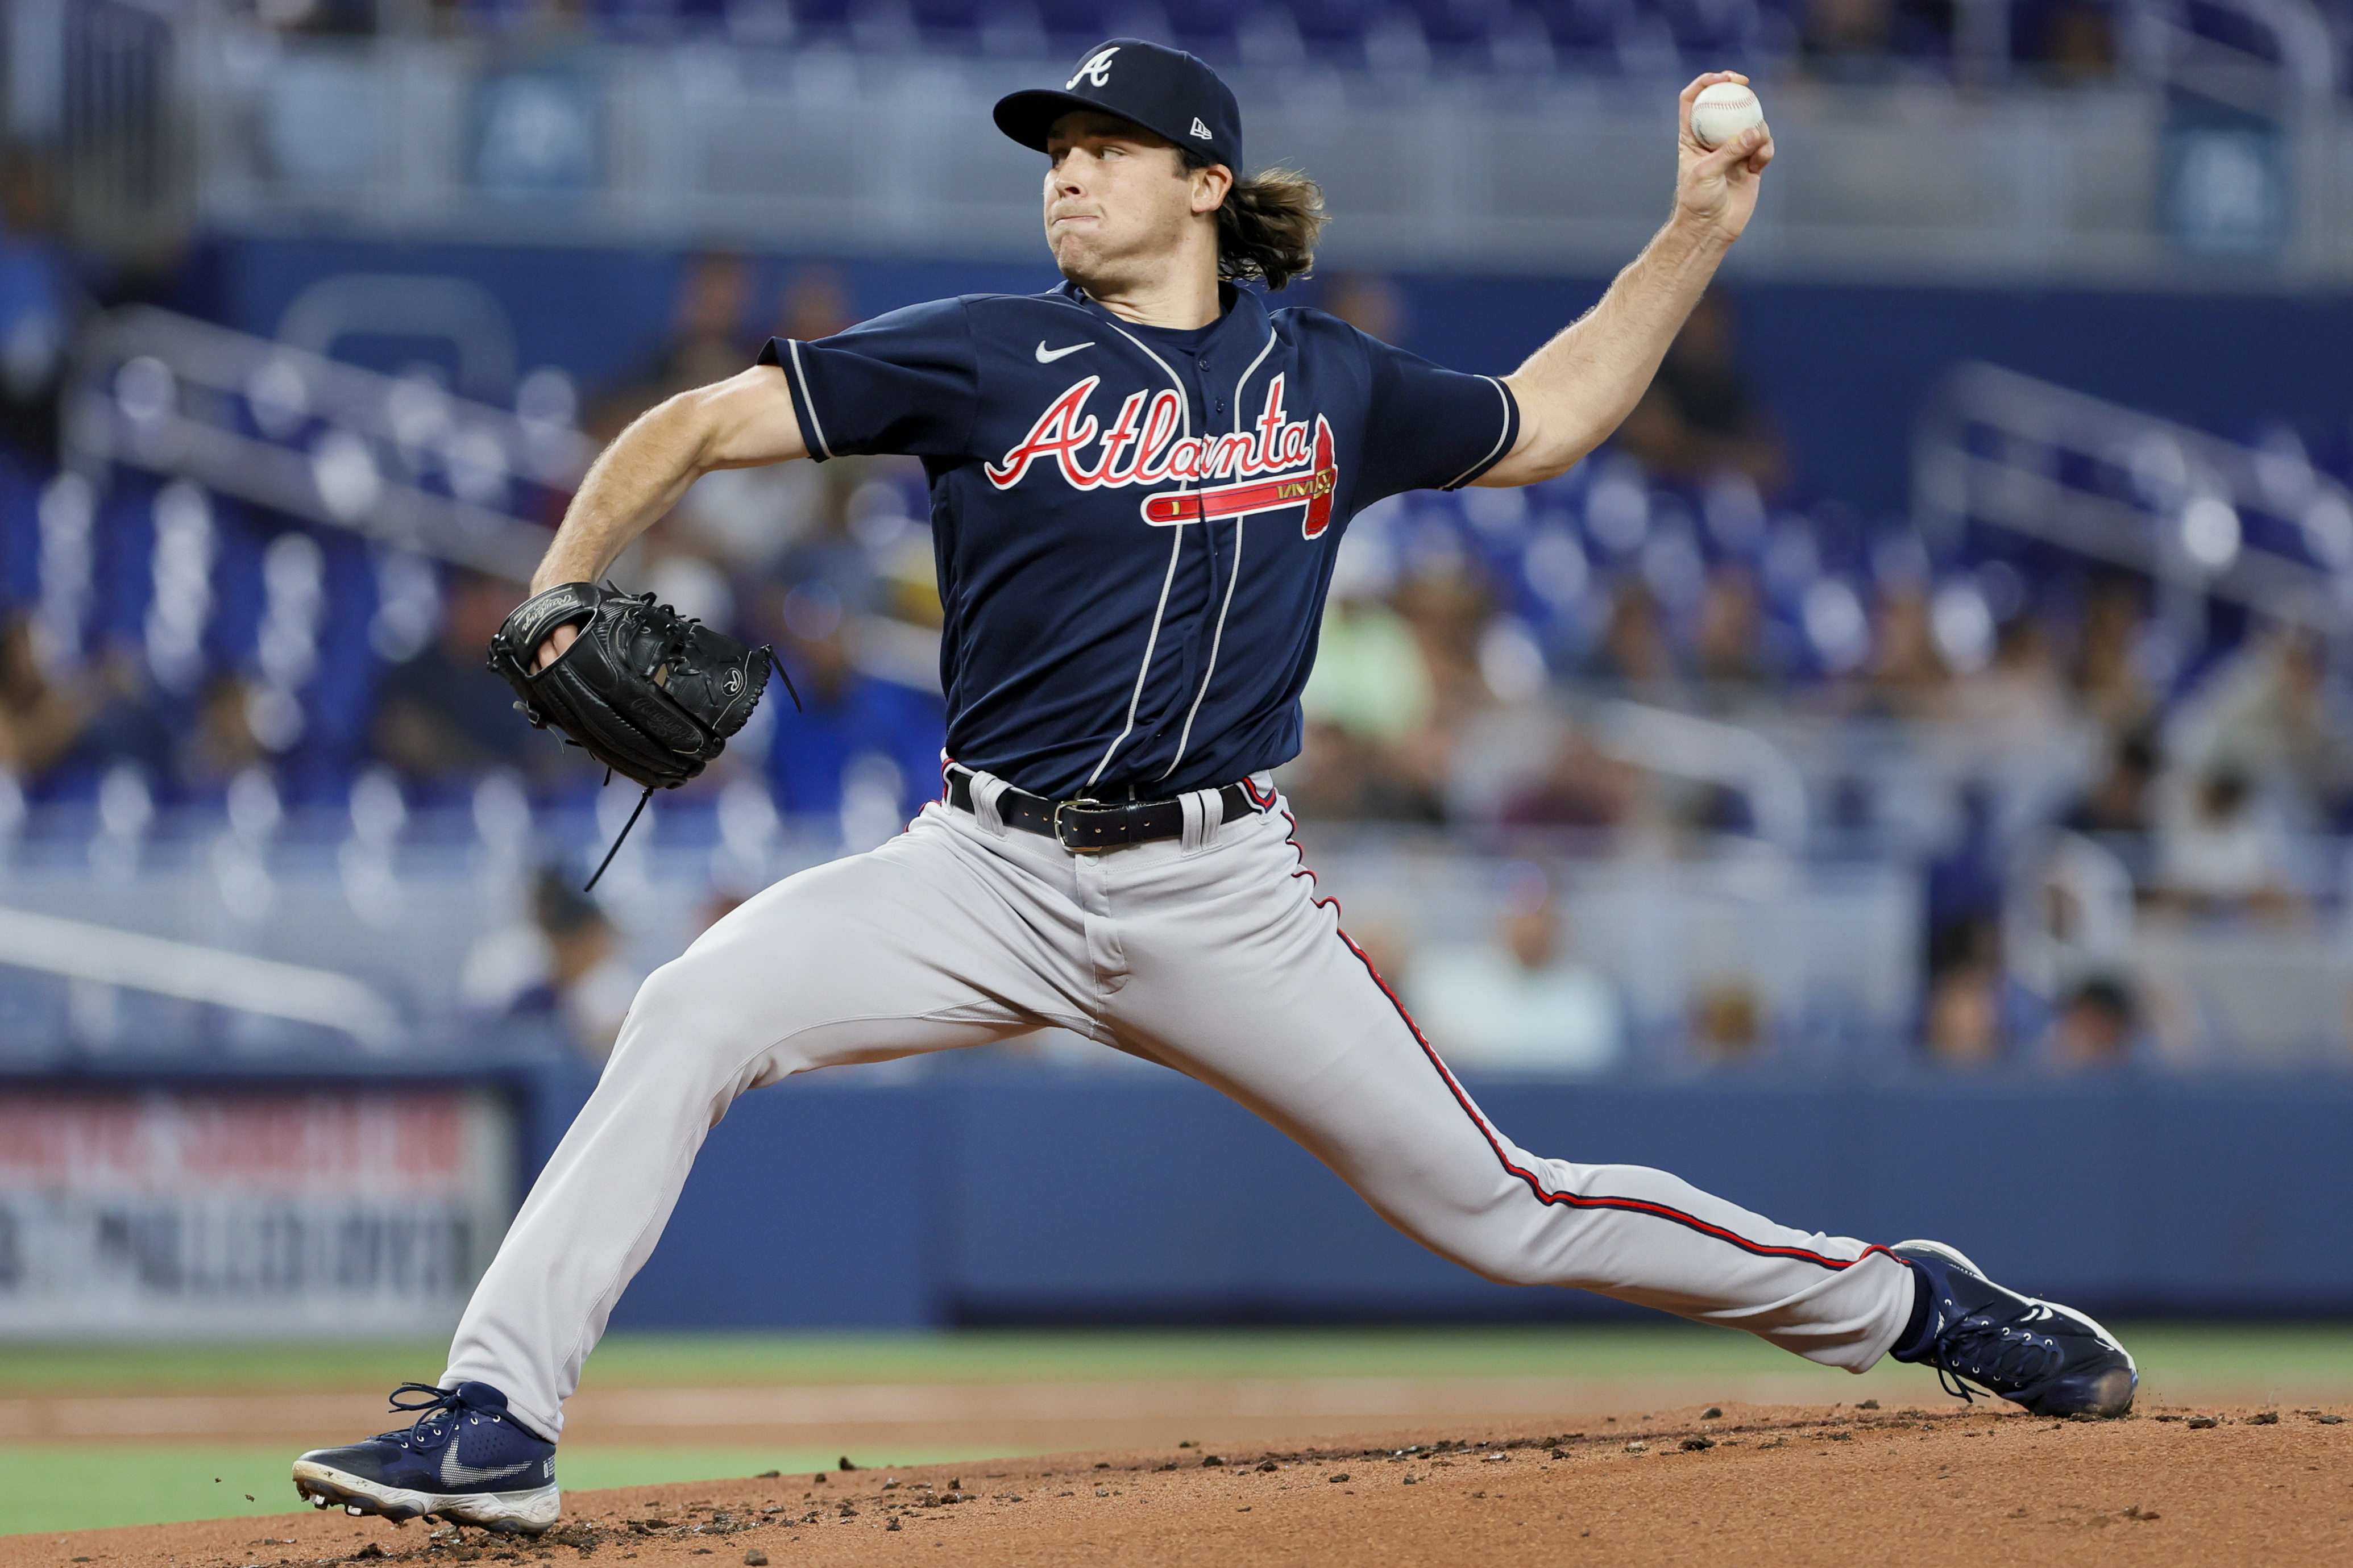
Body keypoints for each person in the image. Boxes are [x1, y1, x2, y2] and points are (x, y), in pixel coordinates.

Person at [289, 40, 2136, 1535]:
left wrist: (1695, 231)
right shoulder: (982, 353)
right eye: (1052, 148)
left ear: (1200, 184)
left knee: (1498, 1205)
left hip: (1218, 895)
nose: (1066, 171)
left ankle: (1910, 1302)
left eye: (1105, 145)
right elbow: (692, 424)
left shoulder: (1321, 377)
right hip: (979, 872)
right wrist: (557, 583)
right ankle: (494, 1418)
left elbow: (1554, 417)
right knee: (689, 1008)